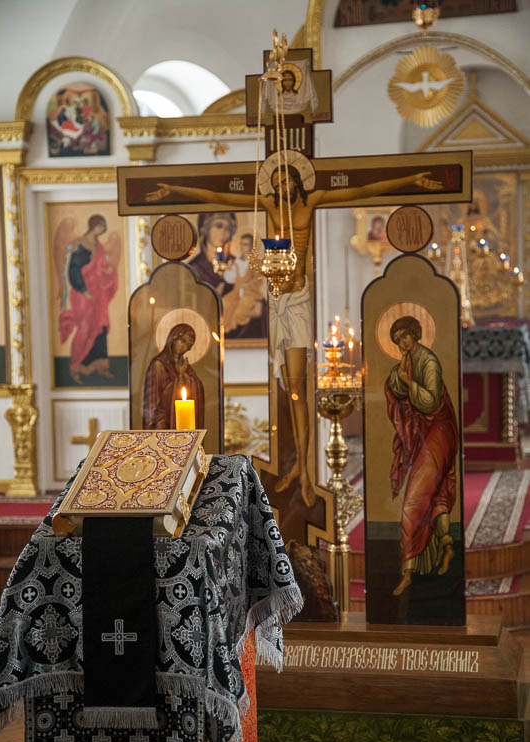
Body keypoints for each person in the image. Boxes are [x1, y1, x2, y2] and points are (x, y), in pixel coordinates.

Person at [144, 164, 443, 508]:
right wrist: (173, 189)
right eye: (276, 182)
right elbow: (216, 195)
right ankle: (296, 464)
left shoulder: (311, 200)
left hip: (297, 300)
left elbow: (362, 190)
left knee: (298, 388)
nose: (282, 187)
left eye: (286, 180)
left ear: (297, 181)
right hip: (276, 300)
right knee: (285, 386)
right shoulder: (267, 205)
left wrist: (411, 179)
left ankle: (303, 467)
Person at [385, 315, 458, 596]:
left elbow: (429, 401)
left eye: (405, 336)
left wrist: (408, 382)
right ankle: (447, 546)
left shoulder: (428, 361)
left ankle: (407, 573)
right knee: (437, 493)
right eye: (397, 340)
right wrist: (399, 377)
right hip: (427, 433)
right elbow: (395, 387)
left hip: (440, 430)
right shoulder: (406, 362)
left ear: (415, 334)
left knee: (414, 500)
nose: (402, 343)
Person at [58, 214, 117, 383]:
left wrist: (107, 270)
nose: (101, 230)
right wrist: (84, 290)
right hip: (83, 294)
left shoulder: (98, 246)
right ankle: (76, 366)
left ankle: (101, 365)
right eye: (99, 227)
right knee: (85, 327)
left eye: (103, 228)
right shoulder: (80, 245)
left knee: (100, 327)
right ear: (93, 226)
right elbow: (73, 270)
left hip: (98, 293)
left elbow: (101, 266)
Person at [142, 323, 205, 429]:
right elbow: (154, 400)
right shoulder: (158, 364)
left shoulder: (185, 366)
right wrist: (180, 376)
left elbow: (197, 386)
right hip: (163, 421)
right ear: (173, 338)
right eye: (182, 341)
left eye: (188, 345)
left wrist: (185, 376)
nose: (184, 347)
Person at [222, 233, 268, 339]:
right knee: (225, 303)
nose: (243, 247)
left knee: (241, 309)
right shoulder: (235, 262)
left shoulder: (256, 262)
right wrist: (225, 270)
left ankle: (233, 329)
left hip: (250, 293)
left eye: (246, 244)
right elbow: (230, 278)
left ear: (251, 246)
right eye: (242, 244)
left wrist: (246, 286)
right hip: (236, 292)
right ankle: (226, 330)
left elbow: (258, 280)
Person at [188, 212, 237, 295]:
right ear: (205, 229)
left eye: (228, 228)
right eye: (219, 226)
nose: (223, 232)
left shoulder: (235, 264)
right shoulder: (194, 267)